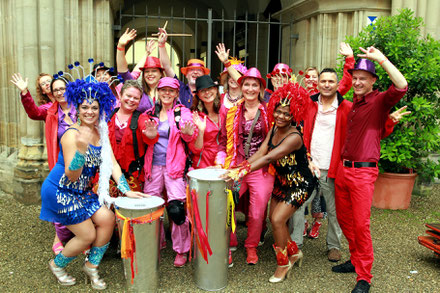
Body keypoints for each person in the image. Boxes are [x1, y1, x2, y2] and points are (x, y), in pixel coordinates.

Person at [39, 75, 149, 290]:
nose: (90, 112)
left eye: (94, 108)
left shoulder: (102, 131)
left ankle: (91, 266)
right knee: (87, 235)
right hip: (60, 192)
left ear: (101, 109)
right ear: (77, 109)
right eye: (85, 107)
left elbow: (112, 163)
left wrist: (126, 191)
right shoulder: (71, 135)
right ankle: (57, 265)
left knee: (108, 219)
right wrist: (81, 149)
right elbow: (72, 175)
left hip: (82, 192)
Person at [223, 82, 316, 283]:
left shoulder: (294, 136)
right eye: (278, 112)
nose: (281, 117)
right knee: (274, 222)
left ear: (294, 115)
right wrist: (239, 168)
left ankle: (283, 264)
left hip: (299, 186)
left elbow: (268, 159)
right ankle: (294, 252)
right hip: (282, 183)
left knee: (277, 220)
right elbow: (261, 151)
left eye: (286, 114)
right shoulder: (274, 127)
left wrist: (242, 171)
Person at [332, 46, 408, 293]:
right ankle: (355, 261)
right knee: (345, 221)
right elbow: (374, 132)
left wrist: (382, 59)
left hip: (363, 173)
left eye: (363, 78)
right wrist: (388, 124)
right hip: (344, 170)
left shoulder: (379, 100)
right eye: (354, 78)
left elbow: (401, 86)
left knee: (361, 224)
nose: (357, 82)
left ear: (374, 81)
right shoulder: (355, 103)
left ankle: (364, 276)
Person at [215, 43, 274, 264]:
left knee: (258, 212)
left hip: (261, 168)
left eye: (254, 85)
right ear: (241, 87)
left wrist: (228, 63)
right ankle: (228, 244)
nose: (250, 88)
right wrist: (223, 163)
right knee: (226, 205)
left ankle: (251, 246)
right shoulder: (231, 111)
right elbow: (223, 141)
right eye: (246, 84)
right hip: (236, 166)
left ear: (261, 88)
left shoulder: (269, 111)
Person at [10, 73, 76, 255]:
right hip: (62, 161)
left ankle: (82, 235)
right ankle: (60, 236)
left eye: (50, 82)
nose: (48, 85)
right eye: (45, 84)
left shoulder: (80, 106)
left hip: (84, 159)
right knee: (61, 197)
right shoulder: (50, 110)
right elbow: (33, 112)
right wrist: (24, 92)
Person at [143, 77, 197, 268]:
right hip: (153, 166)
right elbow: (145, 138)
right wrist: (149, 137)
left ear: (176, 93)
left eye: (171, 90)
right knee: (151, 208)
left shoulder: (183, 112)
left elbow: (191, 134)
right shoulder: (150, 113)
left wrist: (188, 133)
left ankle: (181, 250)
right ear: (158, 91)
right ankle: (155, 243)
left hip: (175, 166)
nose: (166, 94)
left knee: (176, 209)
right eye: (163, 90)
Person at [107, 80, 159, 195]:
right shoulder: (107, 117)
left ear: (140, 101)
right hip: (107, 175)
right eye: (128, 96)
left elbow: (149, 135)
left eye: (135, 98)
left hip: (132, 177)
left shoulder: (142, 119)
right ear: (120, 96)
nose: (131, 100)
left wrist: (151, 135)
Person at [157, 28, 210, 108]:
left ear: (203, 75)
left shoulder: (209, 92)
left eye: (199, 70)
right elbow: (167, 67)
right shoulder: (180, 88)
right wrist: (162, 45)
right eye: (191, 70)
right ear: (186, 75)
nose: (195, 72)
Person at [117, 28, 164, 112]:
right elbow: (123, 72)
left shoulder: (167, 90)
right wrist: (121, 47)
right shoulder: (138, 90)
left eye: (154, 71)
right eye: (146, 71)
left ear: (161, 73)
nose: (150, 74)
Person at [189, 75, 223, 169]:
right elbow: (196, 150)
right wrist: (201, 131)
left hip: (222, 163)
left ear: (216, 90)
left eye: (209, 88)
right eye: (203, 91)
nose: (207, 92)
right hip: (203, 164)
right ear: (198, 95)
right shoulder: (195, 116)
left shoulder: (225, 111)